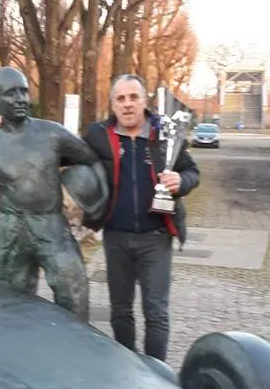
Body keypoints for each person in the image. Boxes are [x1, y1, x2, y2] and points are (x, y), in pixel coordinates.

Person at [0, 66, 100, 321]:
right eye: (12, 94)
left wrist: (93, 196)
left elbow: (91, 159)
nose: (21, 99)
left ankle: (75, 353)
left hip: (51, 226)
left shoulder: (52, 133)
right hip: (11, 231)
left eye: (24, 91)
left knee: (74, 290)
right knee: (13, 306)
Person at [82, 74, 200, 363]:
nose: (127, 105)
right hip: (115, 237)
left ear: (144, 101)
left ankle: (157, 374)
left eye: (133, 97)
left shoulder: (166, 132)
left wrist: (180, 181)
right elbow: (60, 150)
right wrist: (8, 126)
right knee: (120, 310)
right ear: (112, 104)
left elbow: (193, 172)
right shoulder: (98, 135)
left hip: (156, 237)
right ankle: (127, 369)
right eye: (120, 99)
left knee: (156, 313)